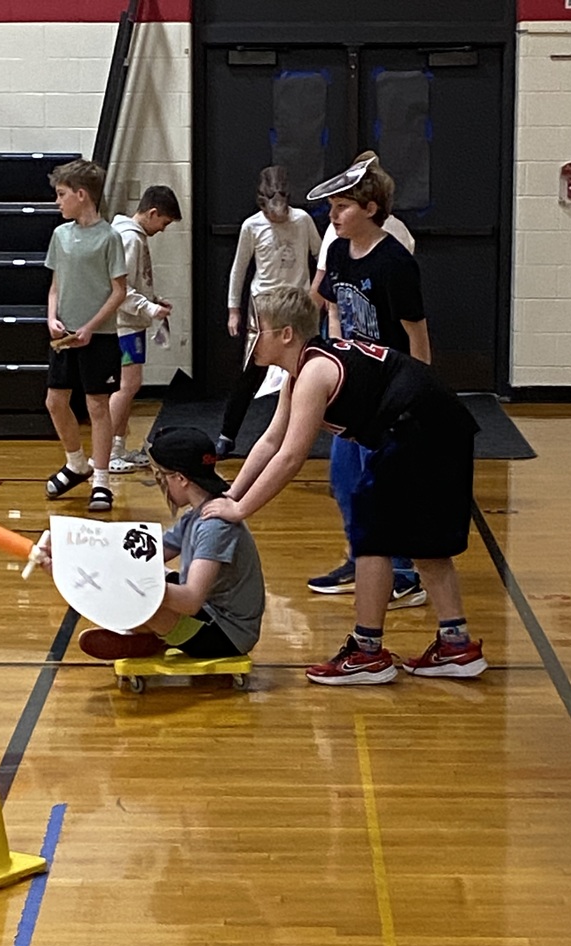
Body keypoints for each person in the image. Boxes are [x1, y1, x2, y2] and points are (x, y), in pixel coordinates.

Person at [201, 285, 487, 686]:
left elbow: (291, 456)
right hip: (437, 424)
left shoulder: (314, 373)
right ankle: (455, 644)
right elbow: (270, 441)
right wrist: (232, 493)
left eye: (257, 328)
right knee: (421, 541)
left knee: (371, 533)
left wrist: (240, 509)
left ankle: (368, 653)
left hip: (421, 426)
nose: (251, 336)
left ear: (286, 334)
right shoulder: (301, 373)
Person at [305, 152, 432, 610]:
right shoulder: (339, 252)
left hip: (390, 390)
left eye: (342, 207)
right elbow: (334, 307)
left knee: (385, 485)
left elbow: (417, 335)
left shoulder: (395, 262)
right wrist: (337, 356)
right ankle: (361, 558)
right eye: (332, 207)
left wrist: (415, 397)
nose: (333, 216)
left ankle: (402, 574)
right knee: (345, 479)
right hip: (354, 388)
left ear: (371, 209)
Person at [73, 426, 265, 661]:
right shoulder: (196, 514)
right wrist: (84, 557)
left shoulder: (215, 527)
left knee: (139, 595)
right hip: (208, 611)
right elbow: (147, 556)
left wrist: (132, 586)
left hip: (228, 634)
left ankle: (150, 635)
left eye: (162, 475)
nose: (160, 483)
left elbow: (191, 600)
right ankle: (149, 637)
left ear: (181, 479)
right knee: (138, 579)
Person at [214, 165, 322, 459]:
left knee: (303, 368)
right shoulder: (252, 226)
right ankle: (227, 434)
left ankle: (297, 435)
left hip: (297, 305)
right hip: (263, 307)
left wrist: (316, 295)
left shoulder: (302, 221)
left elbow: (320, 256)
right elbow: (239, 269)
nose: (278, 217)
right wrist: (233, 310)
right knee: (251, 370)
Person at [44, 159, 127, 513]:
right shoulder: (60, 236)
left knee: (97, 406)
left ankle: (102, 480)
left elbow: (119, 291)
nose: (57, 202)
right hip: (64, 337)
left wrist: (91, 326)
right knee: (55, 401)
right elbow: (55, 286)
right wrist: (51, 317)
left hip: (99, 336)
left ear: (81, 195)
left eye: (61, 194)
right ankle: (76, 463)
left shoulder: (109, 237)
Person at [108, 185, 183, 472]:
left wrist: (153, 300)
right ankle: (110, 451)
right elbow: (119, 289)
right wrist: (149, 308)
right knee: (126, 387)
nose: (163, 229)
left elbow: (136, 283)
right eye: (164, 222)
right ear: (152, 213)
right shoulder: (129, 238)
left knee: (130, 386)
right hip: (124, 325)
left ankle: (118, 447)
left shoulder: (133, 236)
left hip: (131, 323)